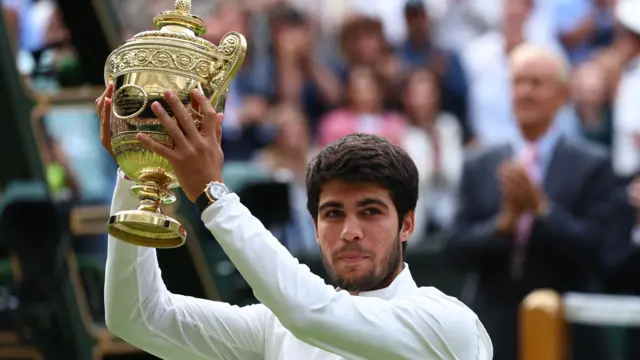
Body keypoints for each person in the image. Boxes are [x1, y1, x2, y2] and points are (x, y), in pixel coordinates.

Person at [96, 83, 493, 359]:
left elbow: (309, 312)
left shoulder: (449, 324)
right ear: (315, 226)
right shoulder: (277, 327)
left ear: (407, 225)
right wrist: (140, 167)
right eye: (333, 213)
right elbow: (137, 316)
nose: (350, 231)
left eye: (370, 211)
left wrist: (212, 195)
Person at [445, 43, 614, 360]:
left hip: (569, 334)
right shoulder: (479, 164)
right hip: (491, 331)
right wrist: (502, 226)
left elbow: (599, 252)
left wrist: (542, 211)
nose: (525, 92)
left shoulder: (593, 164)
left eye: (536, 83)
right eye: (518, 82)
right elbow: (454, 248)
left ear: (563, 94)